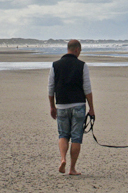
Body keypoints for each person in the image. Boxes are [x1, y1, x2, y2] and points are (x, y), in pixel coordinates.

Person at [48, 39, 95, 175]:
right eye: (80, 51)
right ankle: (72, 168)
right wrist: (91, 108)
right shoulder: (82, 65)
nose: (80, 53)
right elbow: (87, 89)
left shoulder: (55, 65)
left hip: (61, 105)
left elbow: (50, 88)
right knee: (76, 137)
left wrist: (52, 106)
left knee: (63, 134)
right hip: (78, 105)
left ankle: (63, 159)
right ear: (76, 50)